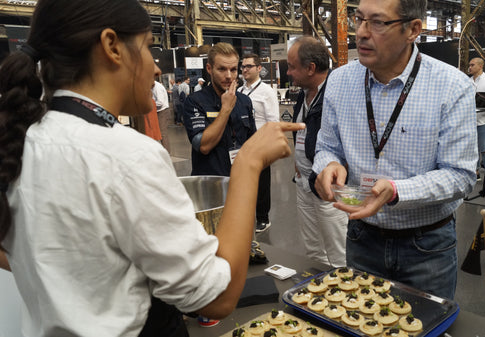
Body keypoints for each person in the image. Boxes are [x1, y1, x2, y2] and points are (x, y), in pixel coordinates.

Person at [0, 1, 304, 336]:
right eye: (147, 48)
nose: (157, 70)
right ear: (112, 46)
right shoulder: (125, 155)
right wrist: (249, 163)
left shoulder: (22, 141)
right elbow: (216, 297)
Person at [311, 0, 477, 299]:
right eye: (358, 19)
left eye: (377, 22)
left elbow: (461, 175)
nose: (360, 32)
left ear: (413, 29)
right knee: (362, 322)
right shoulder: (339, 81)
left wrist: (397, 191)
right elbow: (326, 146)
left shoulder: (452, 86)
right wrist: (328, 165)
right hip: (362, 237)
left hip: (427, 246)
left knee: (423, 326)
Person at [288, 36, 348, 267]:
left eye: (293, 67)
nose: (289, 72)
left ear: (311, 68)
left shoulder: (337, 94)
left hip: (327, 184)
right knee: (312, 247)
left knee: (338, 250)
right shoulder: (303, 94)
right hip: (303, 181)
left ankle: (344, 295)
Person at [182, 42, 256, 177]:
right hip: (210, 184)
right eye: (222, 69)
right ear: (209, 69)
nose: (228, 76)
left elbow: (251, 144)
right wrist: (225, 109)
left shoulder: (244, 102)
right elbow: (203, 146)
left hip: (239, 180)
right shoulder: (195, 102)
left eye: (233, 70)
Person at [238, 53, 280, 233]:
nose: (244, 69)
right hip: (240, 144)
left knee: (261, 183)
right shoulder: (239, 91)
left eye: (248, 66)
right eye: (243, 66)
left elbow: (273, 121)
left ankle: (263, 218)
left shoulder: (266, 92)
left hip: (260, 144)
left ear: (258, 68)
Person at [152, 79, 171, 151]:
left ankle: (166, 152)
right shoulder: (152, 86)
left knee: (162, 133)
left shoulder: (157, 87)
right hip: (157, 111)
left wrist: (150, 104)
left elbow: (160, 102)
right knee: (157, 132)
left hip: (162, 111)